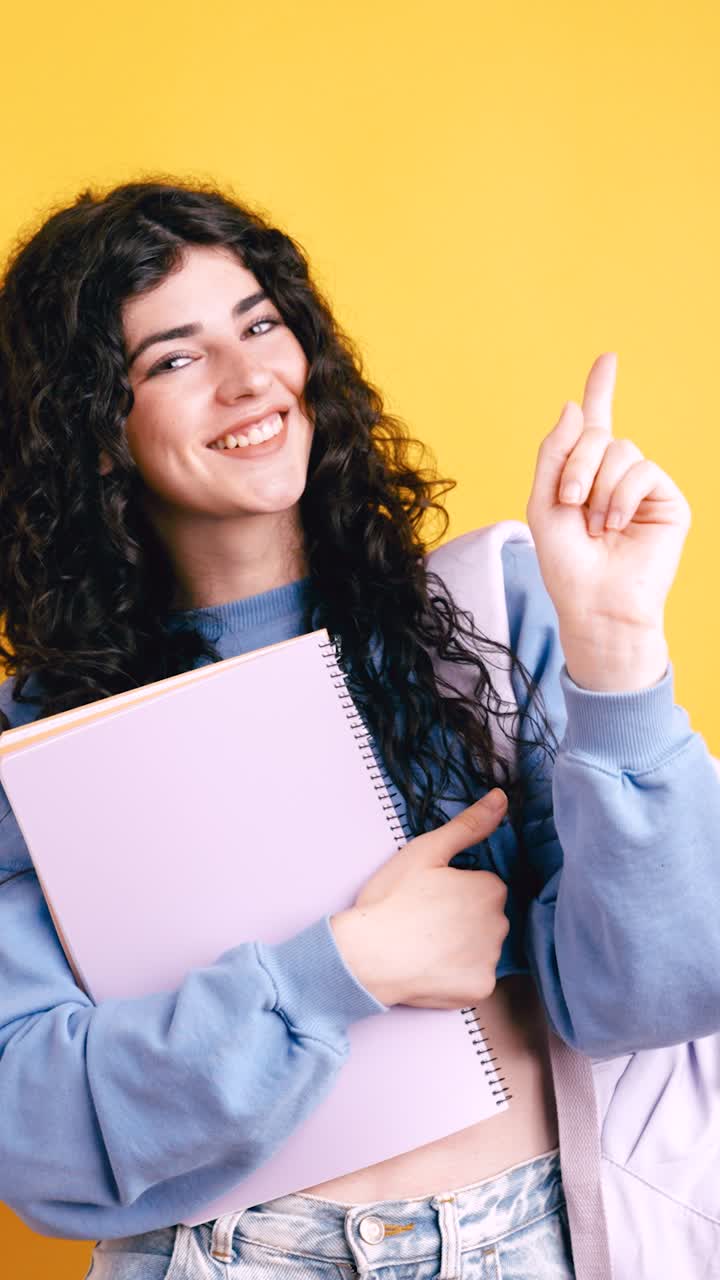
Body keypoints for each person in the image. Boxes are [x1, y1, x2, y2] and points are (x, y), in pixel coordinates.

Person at [0, 179, 718, 1280]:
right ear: (95, 431)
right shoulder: (42, 745)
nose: (250, 379)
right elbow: (37, 1138)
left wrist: (617, 643)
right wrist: (341, 968)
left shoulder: (487, 611)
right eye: (175, 359)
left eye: (260, 325)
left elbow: (669, 983)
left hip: (543, 1235)